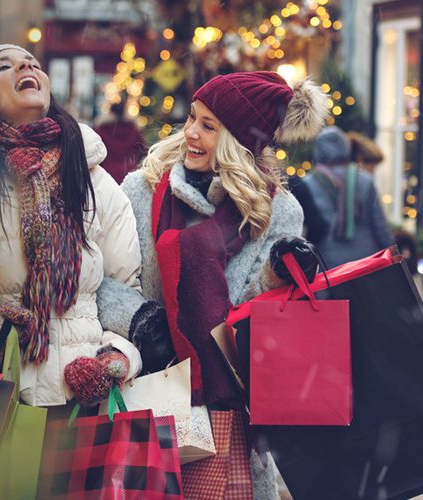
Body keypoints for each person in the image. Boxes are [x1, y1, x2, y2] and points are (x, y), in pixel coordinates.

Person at [96, 71, 329, 499]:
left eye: (209, 126)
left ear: (238, 142)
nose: (190, 133)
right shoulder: (143, 189)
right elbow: (101, 280)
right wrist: (142, 320)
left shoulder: (278, 211)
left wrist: (277, 275)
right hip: (148, 391)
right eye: (192, 118)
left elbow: (257, 322)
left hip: (228, 408)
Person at [0, 44, 144, 414]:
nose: (25, 66)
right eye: (4, 66)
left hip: (81, 403)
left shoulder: (91, 176)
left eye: (32, 63)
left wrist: (116, 356)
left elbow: (127, 293)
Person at [302, 127, 394, 266]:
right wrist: (392, 255)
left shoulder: (308, 183)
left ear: (318, 150)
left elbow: (308, 229)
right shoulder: (365, 179)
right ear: (345, 148)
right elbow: (379, 226)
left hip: (328, 261)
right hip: (367, 260)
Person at [95, 101, 147, 184]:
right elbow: (142, 149)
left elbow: (96, 151)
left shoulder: (102, 130)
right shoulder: (133, 129)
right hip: (128, 172)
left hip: (107, 172)